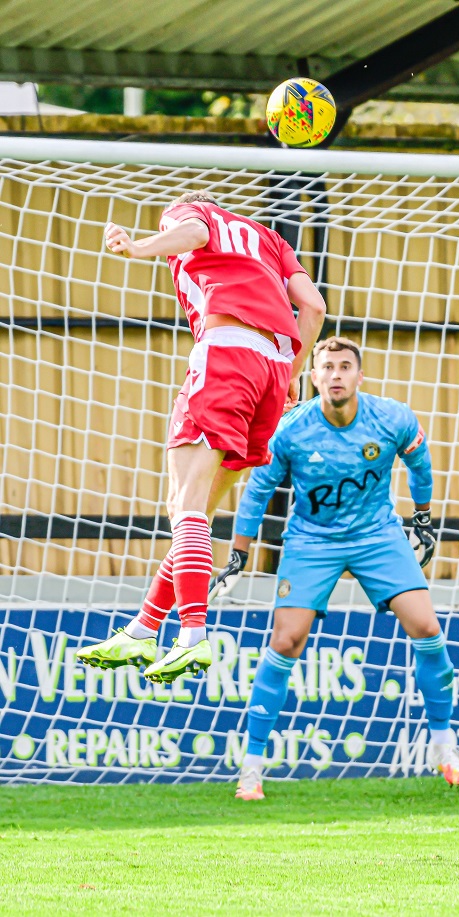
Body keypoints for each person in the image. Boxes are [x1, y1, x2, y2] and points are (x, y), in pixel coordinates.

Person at [76, 192, 326, 684]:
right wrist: (293, 373)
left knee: (184, 506)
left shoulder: (192, 213)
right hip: (273, 374)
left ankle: (191, 637)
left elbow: (195, 234)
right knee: (200, 512)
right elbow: (314, 308)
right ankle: (144, 628)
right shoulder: (271, 239)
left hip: (226, 354)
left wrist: (139, 246)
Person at [210, 336, 459, 799]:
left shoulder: (391, 417)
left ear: (359, 375)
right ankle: (251, 769)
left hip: (377, 535)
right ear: (313, 378)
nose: (335, 374)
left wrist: (424, 520)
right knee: (286, 641)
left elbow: (420, 461)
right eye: (326, 367)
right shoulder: (290, 429)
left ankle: (444, 746)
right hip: (313, 540)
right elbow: (255, 493)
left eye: (344, 366)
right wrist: (239, 554)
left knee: (427, 627)